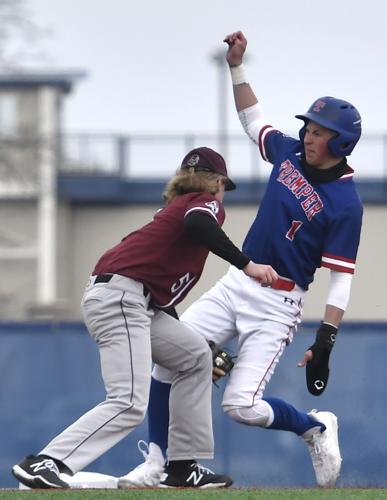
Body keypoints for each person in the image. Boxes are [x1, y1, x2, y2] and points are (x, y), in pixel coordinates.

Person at [118, 31, 363, 489]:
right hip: (236, 284)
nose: (308, 136)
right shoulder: (289, 152)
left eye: (319, 132)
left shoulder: (346, 203)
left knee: (241, 407)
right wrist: (237, 66)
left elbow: (341, 278)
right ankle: (155, 462)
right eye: (308, 128)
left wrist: (326, 339)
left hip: (279, 304)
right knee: (167, 361)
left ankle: (315, 427)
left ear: (341, 144)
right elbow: (254, 121)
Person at [12, 146, 279, 489]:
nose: (222, 194)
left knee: (196, 356)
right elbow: (199, 223)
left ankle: (182, 468)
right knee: (128, 403)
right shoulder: (201, 204)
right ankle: (48, 462)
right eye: (223, 186)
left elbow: (159, 294)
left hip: (130, 299)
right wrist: (247, 264)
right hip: (122, 299)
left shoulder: (172, 211)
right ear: (215, 183)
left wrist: (184, 338)